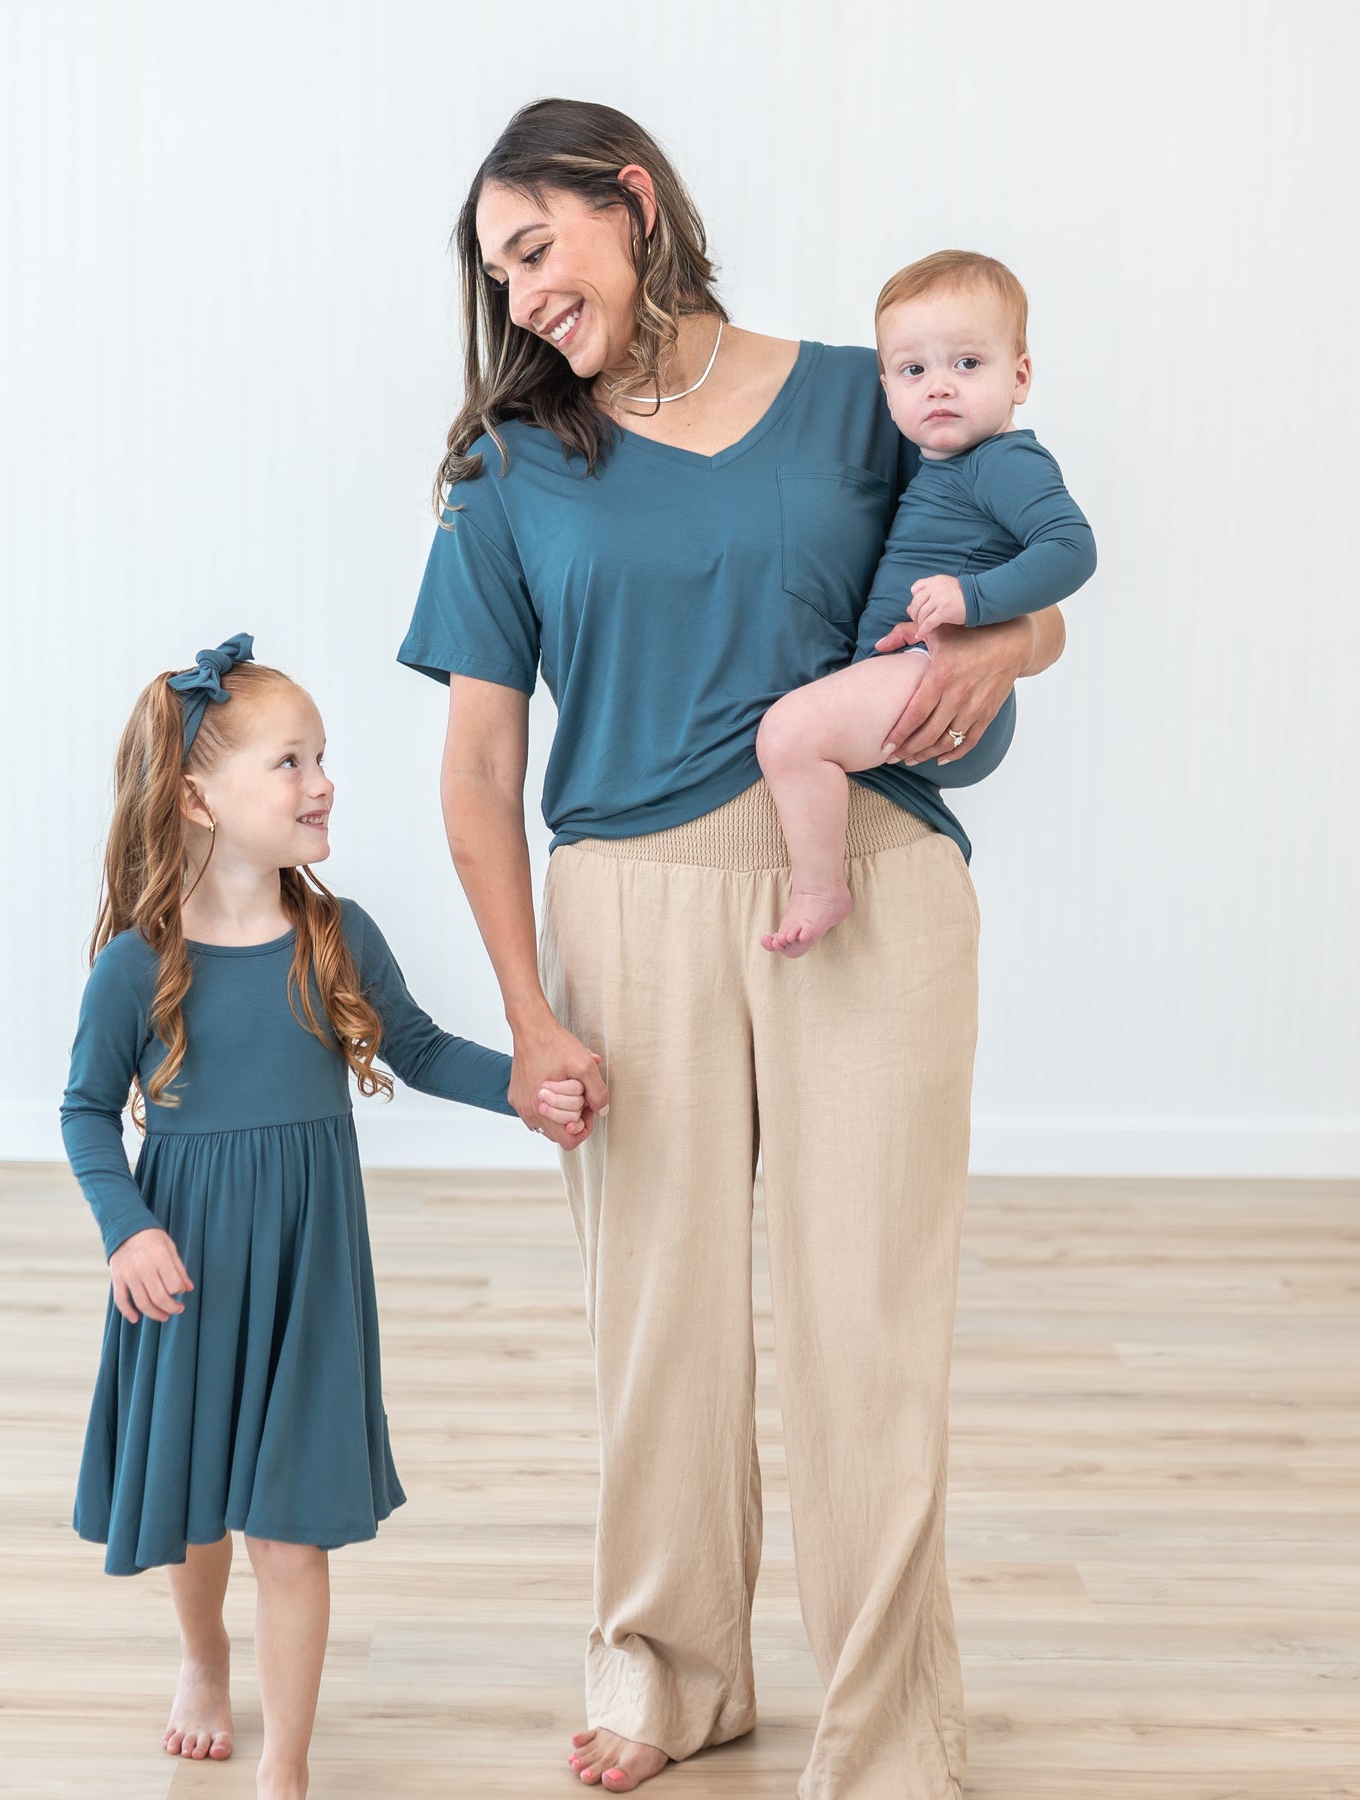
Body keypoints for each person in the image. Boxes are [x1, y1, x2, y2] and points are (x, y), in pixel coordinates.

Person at [397, 99, 1069, 1799]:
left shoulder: (863, 392)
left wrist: (1017, 642)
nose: (522, 295)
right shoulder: (509, 470)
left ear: (631, 201)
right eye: (497, 275)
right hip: (628, 907)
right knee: (659, 1326)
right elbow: (476, 774)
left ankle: (890, 1729)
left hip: (874, 886)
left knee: (869, 1326)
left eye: (537, 247)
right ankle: (670, 1670)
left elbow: (1026, 584)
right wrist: (528, 1013)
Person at [58, 633, 587, 1799]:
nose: (322, 783)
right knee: (198, 1506)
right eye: (290, 763)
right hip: (190, 1268)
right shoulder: (138, 967)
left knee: (290, 1527)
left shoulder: (334, 934)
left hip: (309, 1273)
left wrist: (524, 1087)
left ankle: (286, 1769)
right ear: (197, 798)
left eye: (322, 757)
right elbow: (87, 1112)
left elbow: (420, 1047)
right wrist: (126, 1228)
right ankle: (204, 1659)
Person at [757, 249, 1096, 956]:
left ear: (1020, 376)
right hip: (911, 677)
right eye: (914, 370)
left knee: (788, 734)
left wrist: (973, 600)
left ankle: (819, 889)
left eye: (967, 363)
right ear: (886, 390)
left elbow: (1071, 548)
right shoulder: (945, 462)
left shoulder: (1005, 461)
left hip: (938, 682)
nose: (939, 385)